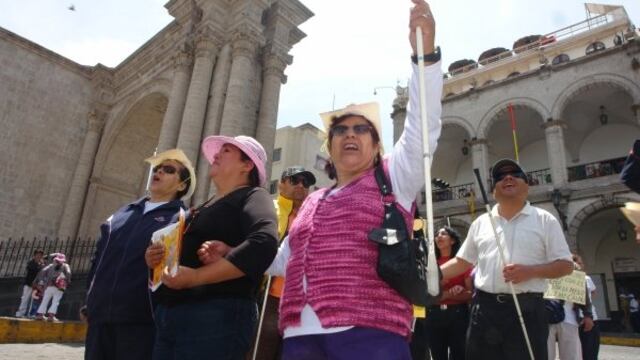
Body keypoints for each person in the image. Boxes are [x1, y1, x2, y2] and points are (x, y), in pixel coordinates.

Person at [255, 2, 443, 358]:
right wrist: (231, 253)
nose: (350, 134)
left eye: (361, 129)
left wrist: (426, 58)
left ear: (376, 146)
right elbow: (284, 260)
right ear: (330, 147)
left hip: (371, 332)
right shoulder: (312, 201)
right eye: (340, 130)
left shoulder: (394, 177)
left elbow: (423, 126)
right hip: (297, 336)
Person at [145, 135, 278, 360]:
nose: (216, 154)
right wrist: (154, 259)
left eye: (226, 151)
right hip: (170, 316)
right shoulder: (201, 207)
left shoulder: (253, 196)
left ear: (247, 165)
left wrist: (197, 276)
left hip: (216, 316)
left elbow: (264, 241)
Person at [440, 158, 574, 360]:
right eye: (500, 176)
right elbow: (463, 262)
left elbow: (565, 265)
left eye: (515, 174)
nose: (508, 177)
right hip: (484, 311)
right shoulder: (480, 223)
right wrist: (432, 274)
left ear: (526, 185)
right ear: (494, 190)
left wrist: (531, 272)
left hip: (527, 310)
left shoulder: (545, 220)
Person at [84, 148, 195, 360]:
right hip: (99, 319)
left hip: (141, 322)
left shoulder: (181, 219)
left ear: (182, 185)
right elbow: (99, 258)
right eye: (158, 168)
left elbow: (175, 271)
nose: (159, 172)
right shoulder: (121, 213)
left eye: (169, 170)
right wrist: (89, 302)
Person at [256, 166, 317, 360]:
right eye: (294, 180)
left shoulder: (314, 216)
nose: (301, 185)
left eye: (305, 183)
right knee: (261, 350)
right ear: (281, 184)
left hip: (302, 300)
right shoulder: (268, 209)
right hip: (270, 297)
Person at [425, 227, 472, 360]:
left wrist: (448, 293)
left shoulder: (462, 264)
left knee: (459, 354)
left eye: (443, 234)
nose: (438, 236)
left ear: (452, 240)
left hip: (458, 315)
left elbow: (470, 293)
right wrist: (446, 292)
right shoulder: (429, 265)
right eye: (436, 234)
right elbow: (425, 295)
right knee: (437, 355)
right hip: (433, 314)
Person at [547, 255, 593, 360]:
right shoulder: (541, 263)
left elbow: (582, 292)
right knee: (545, 354)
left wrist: (588, 314)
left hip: (569, 318)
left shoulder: (573, 267)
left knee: (572, 355)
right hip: (546, 317)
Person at [573, 254, 600, 360]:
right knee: (581, 351)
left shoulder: (587, 278)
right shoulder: (566, 279)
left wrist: (587, 304)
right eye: (578, 263)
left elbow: (593, 292)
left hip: (591, 317)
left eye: (581, 263)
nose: (580, 265)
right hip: (576, 319)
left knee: (592, 350)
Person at [34, 253, 72, 321]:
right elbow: (68, 273)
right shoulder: (65, 266)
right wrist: (67, 280)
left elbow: (42, 271)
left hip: (49, 286)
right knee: (55, 301)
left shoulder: (51, 266)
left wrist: (41, 282)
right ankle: (51, 316)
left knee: (45, 300)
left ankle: (40, 315)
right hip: (59, 286)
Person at [14, 249, 44, 317]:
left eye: (40, 255)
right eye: (38, 255)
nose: (39, 256)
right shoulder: (31, 263)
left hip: (36, 285)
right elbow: (32, 271)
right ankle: (20, 313)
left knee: (34, 300)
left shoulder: (41, 264)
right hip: (29, 284)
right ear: (35, 255)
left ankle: (30, 314)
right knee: (25, 299)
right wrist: (40, 265)